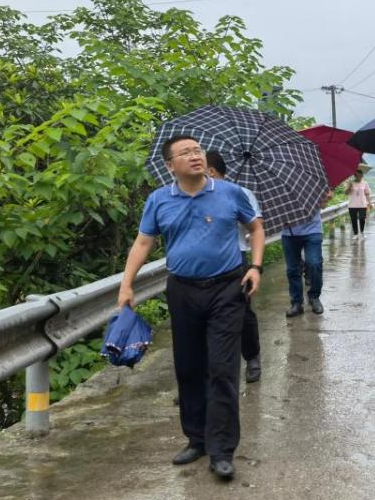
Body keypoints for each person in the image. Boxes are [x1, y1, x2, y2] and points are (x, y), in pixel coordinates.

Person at [118, 135, 265, 481]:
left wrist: (256, 267)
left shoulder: (230, 192)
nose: (195, 156)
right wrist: (126, 284)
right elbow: (144, 242)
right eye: (185, 153)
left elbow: (256, 228)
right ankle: (196, 439)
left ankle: (222, 449)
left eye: (197, 150)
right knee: (188, 367)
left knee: (223, 368)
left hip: (227, 288)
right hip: (183, 290)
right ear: (170, 165)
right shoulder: (159, 200)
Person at [205, 151, 263, 383]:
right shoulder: (193, 195)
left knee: (243, 310)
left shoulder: (242, 193)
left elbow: (256, 226)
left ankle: (252, 356)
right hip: (206, 261)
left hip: (236, 256)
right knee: (204, 316)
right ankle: (205, 373)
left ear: (211, 171)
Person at [281, 190, 331, 317]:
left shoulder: (310, 182)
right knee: (292, 269)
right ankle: (297, 303)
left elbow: (323, 205)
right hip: (289, 232)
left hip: (312, 229)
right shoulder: (278, 186)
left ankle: (314, 297)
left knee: (314, 263)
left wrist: (326, 198)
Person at [344, 169, 371, 239]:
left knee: (362, 218)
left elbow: (367, 194)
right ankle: (355, 234)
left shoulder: (365, 183)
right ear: (355, 176)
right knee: (353, 219)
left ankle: (362, 232)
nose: (359, 177)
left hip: (362, 204)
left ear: (362, 176)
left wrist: (369, 203)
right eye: (357, 175)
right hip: (352, 205)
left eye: (360, 175)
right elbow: (346, 193)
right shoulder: (350, 183)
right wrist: (349, 187)